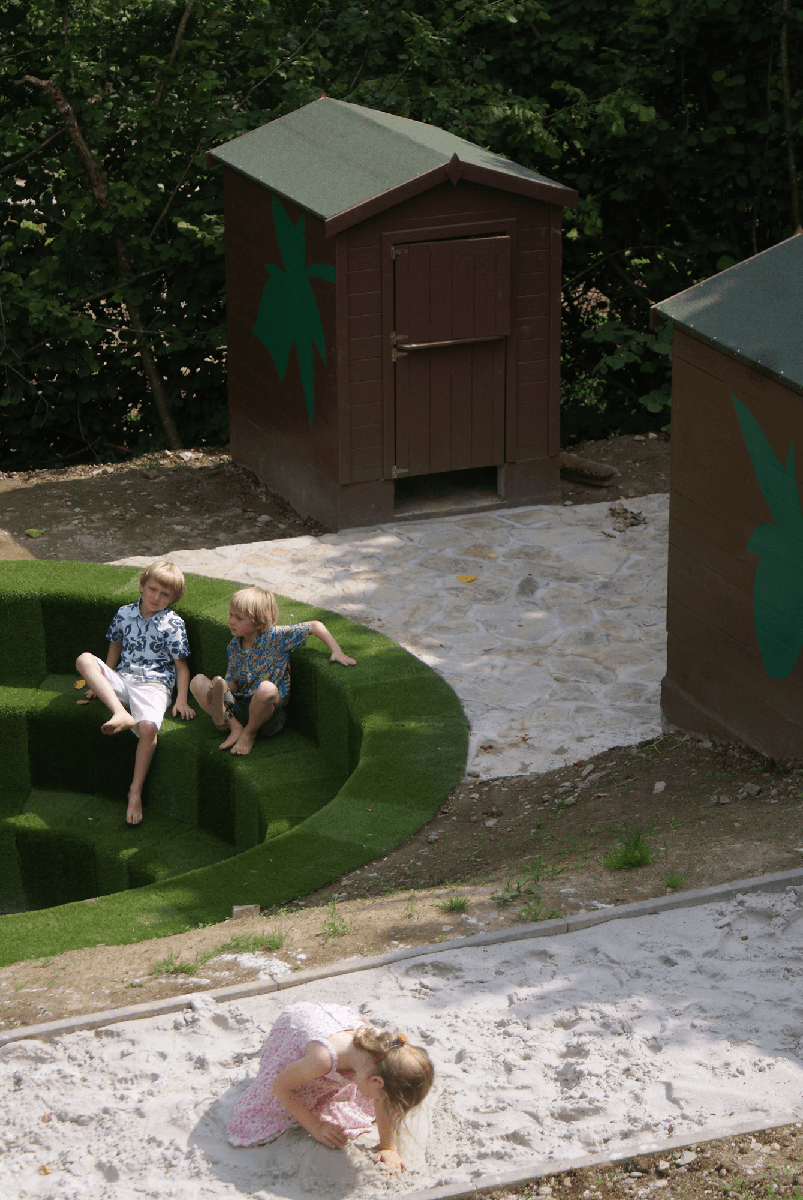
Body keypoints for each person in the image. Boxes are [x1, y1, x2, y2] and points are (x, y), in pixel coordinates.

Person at [227, 1001, 434, 1174]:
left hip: (329, 1023)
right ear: (377, 1082)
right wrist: (315, 1126)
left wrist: (388, 1147)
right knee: (278, 1110)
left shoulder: (385, 1054)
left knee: (369, 1100)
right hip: (295, 1025)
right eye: (384, 1098)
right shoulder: (322, 1060)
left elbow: (381, 1099)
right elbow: (280, 1087)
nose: (383, 1103)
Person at [75, 560, 195, 824]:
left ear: (174, 598)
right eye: (153, 589)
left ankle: (135, 791)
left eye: (165, 595)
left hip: (154, 685)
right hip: (123, 678)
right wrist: (100, 683)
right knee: (84, 659)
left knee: (149, 728)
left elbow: (181, 667)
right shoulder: (124, 613)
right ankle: (120, 713)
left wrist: (182, 699)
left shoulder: (173, 623)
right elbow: (115, 648)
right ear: (142, 586)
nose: (157, 597)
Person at [190, 585, 355, 756]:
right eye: (231, 615)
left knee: (267, 689)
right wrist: (222, 687)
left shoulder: (276, 637)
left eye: (239, 618)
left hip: (269, 716)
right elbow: (235, 684)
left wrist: (337, 651)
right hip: (240, 707)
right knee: (198, 682)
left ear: (259, 621)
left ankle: (249, 734)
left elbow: (315, 625)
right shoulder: (234, 647)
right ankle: (235, 727)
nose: (232, 621)